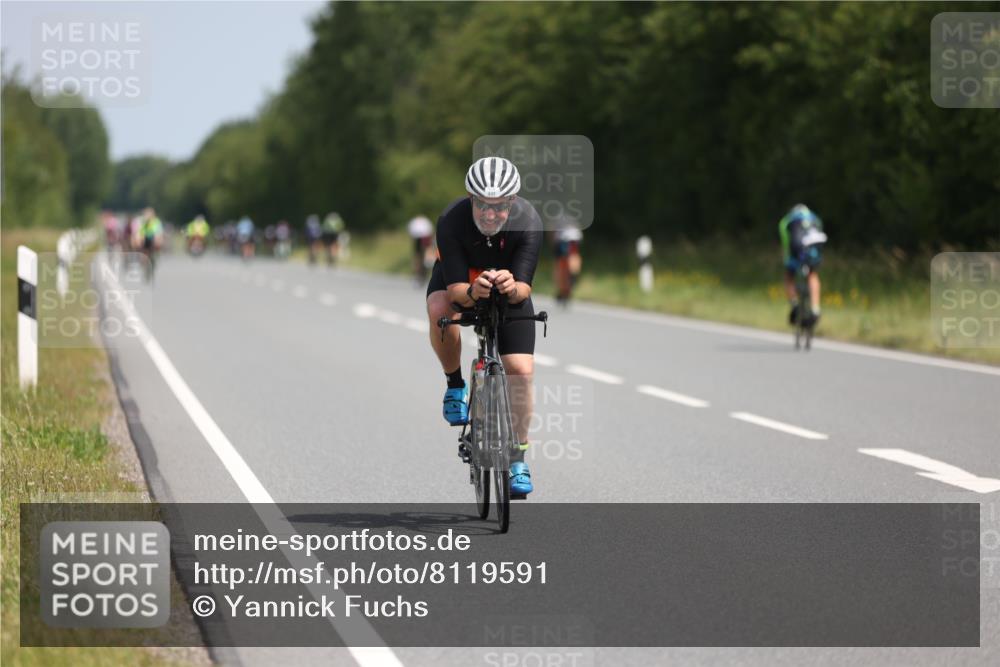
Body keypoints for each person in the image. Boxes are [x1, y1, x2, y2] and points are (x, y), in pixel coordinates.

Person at [425, 156, 542, 496]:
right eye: (483, 206)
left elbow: (524, 288)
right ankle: (455, 385)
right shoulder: (451, 220)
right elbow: (455, 291)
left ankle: (518, 458)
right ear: (470, 199)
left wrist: (511, 286)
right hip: (462, 280)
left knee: (520, 369)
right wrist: (473, 292)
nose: (490, 214)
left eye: (500, 207)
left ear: (513, 202)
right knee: (438, 309)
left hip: (509, 283)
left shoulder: (529, 221)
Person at [779, 203, 827, 326]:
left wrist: (787, 260)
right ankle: (815, 309)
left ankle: (794, 304)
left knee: (789, 276)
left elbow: (786, 243)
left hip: (796, 251)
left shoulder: (786, 221)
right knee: (812, 275)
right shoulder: (815, 218)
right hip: (813, 252)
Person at [552, 222, 583, 305]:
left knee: (568, 275)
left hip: (568, 256)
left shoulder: (565, 234)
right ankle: (563, 292)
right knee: (562, 275)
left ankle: (565, 292)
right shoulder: (570, 234)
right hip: (564, 257)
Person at [407, 214, 435, 284]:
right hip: (422, 238)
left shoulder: (418, 222)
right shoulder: (424, 221)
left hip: (422, 238)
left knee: (419, 255)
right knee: (419, 255)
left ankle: (427, 262)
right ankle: (425, 264)